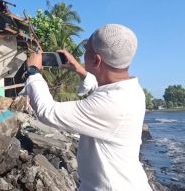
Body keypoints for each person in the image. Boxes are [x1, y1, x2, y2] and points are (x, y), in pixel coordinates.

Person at [21, 24, 152, 191]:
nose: (82, 56)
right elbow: (102, 90)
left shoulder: (110, 104)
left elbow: (48, 112)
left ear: (96, 60)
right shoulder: (131, 90)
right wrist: (80, 70)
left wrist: (33, 71)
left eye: (86, 51)